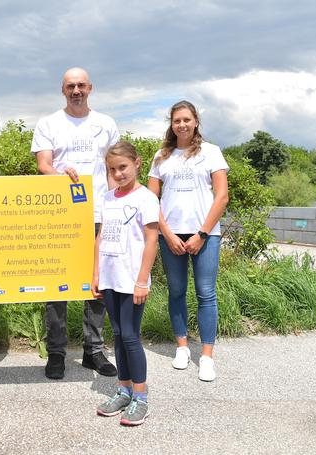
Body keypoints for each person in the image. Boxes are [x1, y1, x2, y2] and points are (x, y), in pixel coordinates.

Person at [31, 67, 119, 379]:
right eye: (71, 86)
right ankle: (56, 352)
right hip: (60, 217)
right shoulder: (48, 123)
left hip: (98, 213)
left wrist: (115, 205)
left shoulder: (106, 123)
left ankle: (93, 351)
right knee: (57, 285)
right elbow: (44, 165)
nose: (76, 90)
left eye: (81, 85)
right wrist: (60, 173)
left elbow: (114, 169)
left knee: (96, 286)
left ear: (90, 88)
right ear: (63, 89)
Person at [147, 100, 229, 382]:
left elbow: (222, 197)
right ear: (171, 124)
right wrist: (167, 234)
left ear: (195, 122)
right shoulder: (161, 156)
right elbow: (150, 200)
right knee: (176, 291)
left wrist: (202, 234)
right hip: (170, 234)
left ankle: (206, 356)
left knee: (206, 293)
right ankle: (182, 347)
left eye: (186, 120)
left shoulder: (211, 152)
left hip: (205, 234)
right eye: (176, 120)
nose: (181, 125)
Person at [92, 141, 159, 426]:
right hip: (109, 277)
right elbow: (101, 237)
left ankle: (140, 397)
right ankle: (124, 389)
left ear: (137, 164)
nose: (118, 173)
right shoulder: (108, 198)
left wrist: (142, 280)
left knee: (131, 335)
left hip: (132, 280)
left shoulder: (146, 198)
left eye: (123, 167)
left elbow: (152, 240)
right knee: (117, 334)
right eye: (112, 169)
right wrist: (95, 273)